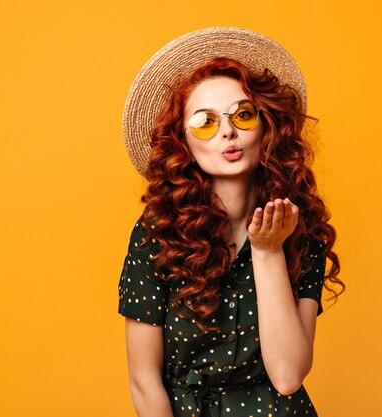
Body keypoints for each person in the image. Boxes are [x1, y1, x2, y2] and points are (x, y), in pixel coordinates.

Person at [118, 27, 344, 417]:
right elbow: (144, 383)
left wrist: (268, 250)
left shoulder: (300, 227)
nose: (228, 131)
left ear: (266, 126)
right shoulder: (157, 233)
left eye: (242, 114)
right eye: (205, 121)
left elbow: (288, 375)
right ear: (182, 142)